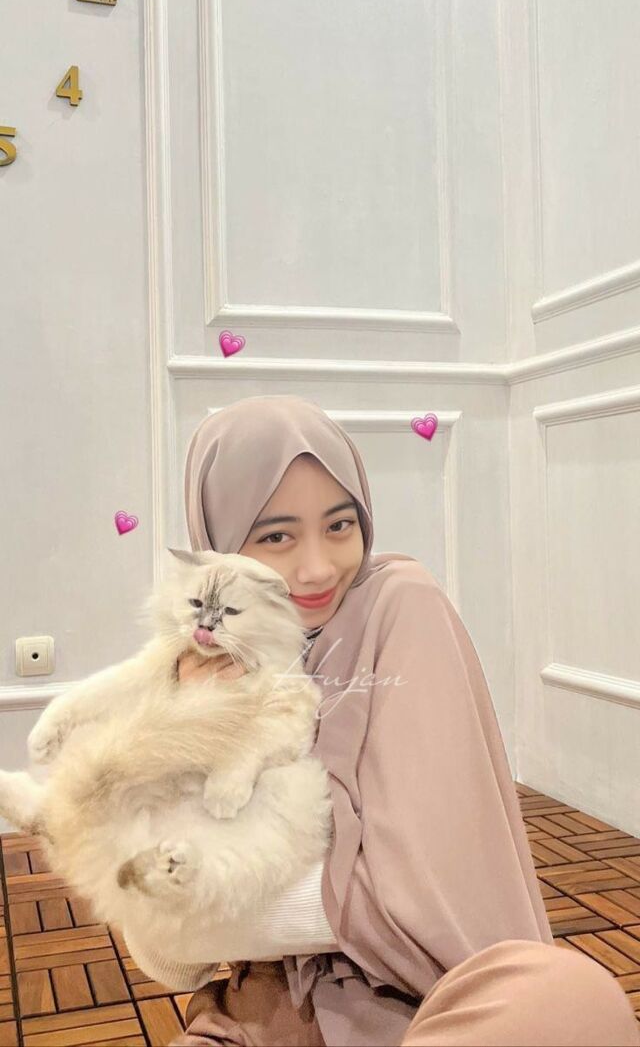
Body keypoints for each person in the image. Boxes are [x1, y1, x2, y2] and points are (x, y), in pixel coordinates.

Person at [160, 394, 640, 1047]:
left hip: (409, 1007)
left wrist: (203, 904)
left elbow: (429, 900)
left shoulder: (397, 606)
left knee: (574, 1004)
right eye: (275, 536)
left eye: (340, 524)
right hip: (251, 1019)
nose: (318, 567)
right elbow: (167, 956)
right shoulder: (199, 659)